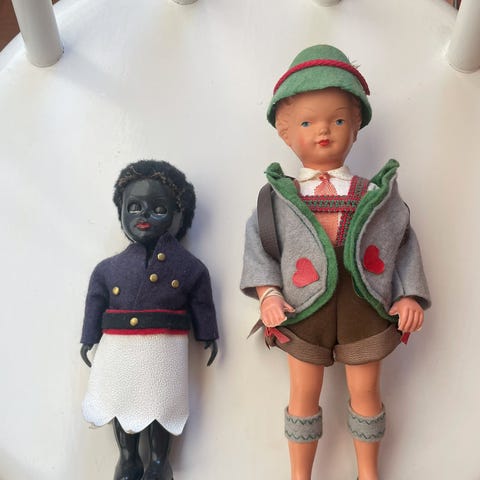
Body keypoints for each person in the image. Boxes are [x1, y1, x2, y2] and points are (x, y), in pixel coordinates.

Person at [240, 45, 430, 480]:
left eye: (338, 120)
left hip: (367, 306)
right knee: (302, 396)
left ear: (356, 126)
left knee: (367, 393)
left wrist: (409, 295)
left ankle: (368, 472)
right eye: (307, 123)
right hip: (302, 310)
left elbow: (403, 242)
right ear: (286, 132)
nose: (324, 131)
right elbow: (260, 247)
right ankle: (300, 475)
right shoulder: (277, 198)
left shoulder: (375, 195)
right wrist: (268, 295)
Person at [81, 160, 218, 480]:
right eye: (134, 207)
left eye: (158, 209)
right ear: (121, 213)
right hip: (118, 349)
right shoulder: (107, 268)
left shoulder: (188, 266)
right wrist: (89, 337)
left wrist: (207, 333)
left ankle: (159, 462)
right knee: (119, 400)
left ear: (179, 215)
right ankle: (128, 459)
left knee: (161, 405)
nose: (144, 215)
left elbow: (201, 299)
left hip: (163, 347)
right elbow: (95, 301)